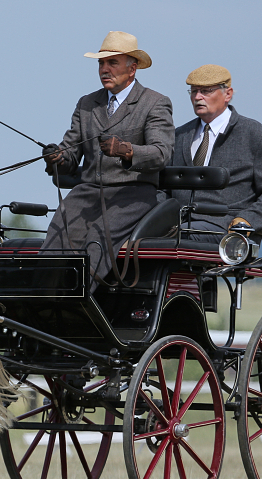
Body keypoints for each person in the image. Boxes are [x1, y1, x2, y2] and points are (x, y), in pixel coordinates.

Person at [41, 31, 174, 288]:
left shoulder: (155, 103)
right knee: (57, 235)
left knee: (96, 240)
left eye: (112, 63)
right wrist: (56, 157)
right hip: (88, 191)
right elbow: (70, 154)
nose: (104, 69)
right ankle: (42, 305)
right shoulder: (87, 103)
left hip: (132, 194)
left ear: (132, 69)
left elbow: (162, 153)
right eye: (101, 63)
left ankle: (79, 306)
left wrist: (126, 150)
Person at [167, 64, 262, 242]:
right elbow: (162, 188)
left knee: (178, 237)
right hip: (178, 224)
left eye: (206, 91)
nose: (197, 97)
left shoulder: (255, 135)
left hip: (226, 228)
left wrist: (247, 220)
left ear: (228, 94)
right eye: (193, 91)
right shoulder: (179, 136)